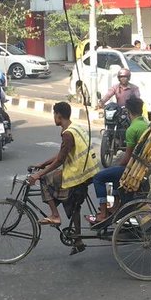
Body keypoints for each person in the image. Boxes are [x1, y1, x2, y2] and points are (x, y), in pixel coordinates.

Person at [29, 102, 99, 253]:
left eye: (54, 114)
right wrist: (43, 164)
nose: (54, 117)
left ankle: (55, 215)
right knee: (74, 206)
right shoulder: (75, 127)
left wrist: (39, 174)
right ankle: (78, 240)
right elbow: (62, 154)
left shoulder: (67, 134)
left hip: (78, 174)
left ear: (59, 115)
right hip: (88, 172)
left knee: (45, 179)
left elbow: (60, 159)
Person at [89, 96, 149, 224]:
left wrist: (117, 166)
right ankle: (116, 205)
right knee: (115, 172)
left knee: (98, 178)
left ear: (128, 111)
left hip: (133, 169)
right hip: (141, 166)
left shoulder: (132, 129)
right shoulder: (146, 125)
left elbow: (127, 157)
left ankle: (103, 213)